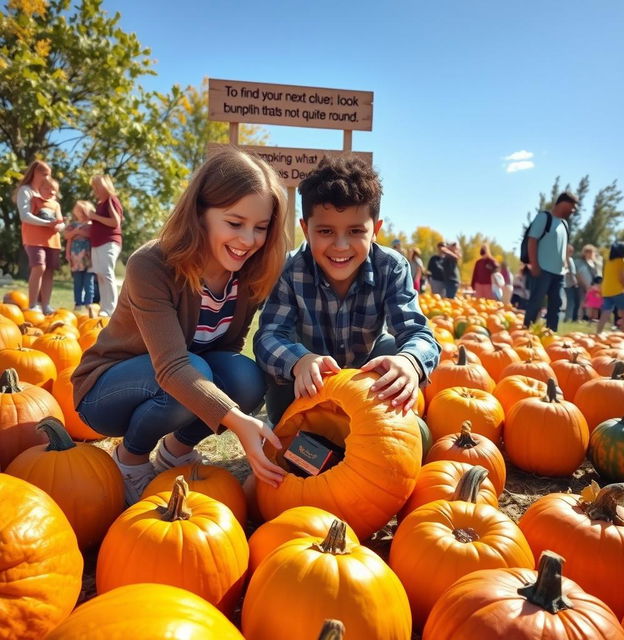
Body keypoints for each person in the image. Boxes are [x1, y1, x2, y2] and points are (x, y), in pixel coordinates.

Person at [72, 149, 288, 504]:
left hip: (178, 383)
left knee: (245, 377)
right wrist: (235, 419)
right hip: (107, 392)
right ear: (200, 213)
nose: (249, 240)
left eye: (260, 228)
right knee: (194, 370)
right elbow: (172, 367)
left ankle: (175, 451)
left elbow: (226, 353)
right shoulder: (151, 264)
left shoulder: (249, 275)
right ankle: (130, 459)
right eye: (235, 223)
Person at [254, 155, 441, 427]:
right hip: (308, 383)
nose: (341, 245)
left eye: (355, 231)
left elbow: (418, 332)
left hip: (364, 381)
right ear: (306, 229)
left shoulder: (390, 267)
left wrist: (410, 361)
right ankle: (290, 426)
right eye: (326, 231)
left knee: (392, 349)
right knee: (281, 358)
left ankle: (380, 427)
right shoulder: (291, 269)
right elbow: (268, 336)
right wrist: (299, 361)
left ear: (375, 230)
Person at [523, 191, 578, 331]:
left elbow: (564, 247)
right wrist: (534, 265)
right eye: (572, 206)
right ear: (563, 203)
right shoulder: (544, 217)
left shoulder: (565, 224)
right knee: (536, 303)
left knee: (556, 305)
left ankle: (550, 334)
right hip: (542, 270)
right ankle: (525, 333)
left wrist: (565, 265)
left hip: (558, 274)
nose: (573, 210)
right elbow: (532, 241)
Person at [14, 160, 65, 313]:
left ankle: (45, 305)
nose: (46, 177)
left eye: (49, 174)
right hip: (33, 239)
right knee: (39, 267)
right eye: (44, 173)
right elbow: (25, 216)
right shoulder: (26, 191)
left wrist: (58, 226)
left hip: (51, 241)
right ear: (34, 173)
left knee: (49, 270)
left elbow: (60, 222)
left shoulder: (52, 198)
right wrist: (46, 224)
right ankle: (33, 304)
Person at [88, 175, 124, 316]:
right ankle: (105, 307)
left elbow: (115, 222)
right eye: (94, 186)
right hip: (97, 243)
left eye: (98, 185)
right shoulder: (100, 203)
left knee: (107, 273)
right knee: (101, 275)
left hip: (108, 242)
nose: (95, 189)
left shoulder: (111, 200)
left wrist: (94, 217)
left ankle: (111, 308)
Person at [64, 200, 95, 311]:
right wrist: (67, 253)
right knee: (77, 281)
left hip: (88, 256)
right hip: (75, 256)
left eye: (82, 211)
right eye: (77, 211)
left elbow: (91, 235)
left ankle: (89, 303)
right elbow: (68, 238)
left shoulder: (92, 224)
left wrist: (78, 232)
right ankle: (78, 303)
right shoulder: (73, 225)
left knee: (88, 280)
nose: (79, 213)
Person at [597, 241, 624, 333]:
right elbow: (622, 278)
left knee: (606, 311)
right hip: (617, 291)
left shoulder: (609, 262)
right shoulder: (621, 261)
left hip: (607, 290)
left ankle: (598, 332)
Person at [575, 244, 599, 321]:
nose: (588, 253)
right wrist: (583, 284)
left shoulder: (594, 263)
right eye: (587, 251)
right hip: (582, 285)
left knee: (592, 303)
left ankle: (590, 318)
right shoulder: (579, 262)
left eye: (590, 252)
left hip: (592, 286)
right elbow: (577, 274)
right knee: (582, 301)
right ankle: (579, 317)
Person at [563, 244, 580, 322]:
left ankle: (568, 317)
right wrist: (575, 283)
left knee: (570, 301)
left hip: (565, 283)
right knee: (571, 301)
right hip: (570, 284)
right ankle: (568, 317)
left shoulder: (563, 259)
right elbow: (572, 273)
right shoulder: (569, 260)